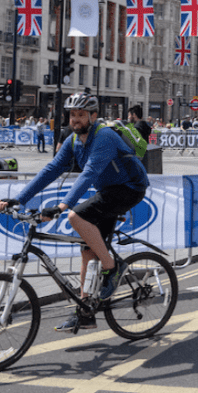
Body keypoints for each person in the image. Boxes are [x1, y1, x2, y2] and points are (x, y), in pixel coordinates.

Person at [0, 92, 149, 331]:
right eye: (72, 115)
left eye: (81, 115)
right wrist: (18, 199)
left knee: (75, 216)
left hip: (129, 188)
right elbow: (51, 170)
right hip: (107, 191)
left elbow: (89, 173)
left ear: (93, 116)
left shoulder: (105, 137)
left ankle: (113, 267)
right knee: (88, 252)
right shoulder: (73, 141)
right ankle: (86, 313)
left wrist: (61, 207)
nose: (75, 120)